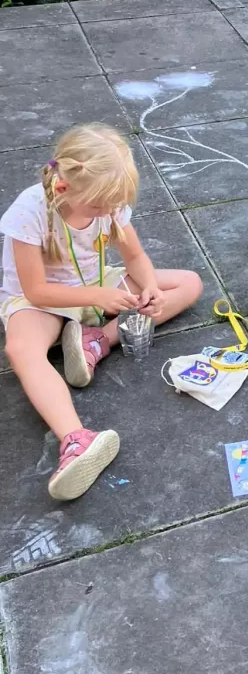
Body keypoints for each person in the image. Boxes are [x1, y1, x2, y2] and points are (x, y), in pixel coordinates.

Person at [1, 125, 203, 502]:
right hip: (43, 302)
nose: (108, 213)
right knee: (21, 350)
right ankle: (76, 440)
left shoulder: (106, 201)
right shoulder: (29, 212)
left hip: (96, 286)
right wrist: (99, 296)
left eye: (113, 206)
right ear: (64, 187)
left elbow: (135, 256)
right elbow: (35, 290)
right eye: (99, 208)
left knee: (189, 283)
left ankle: (97, 339)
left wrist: (149, 288)